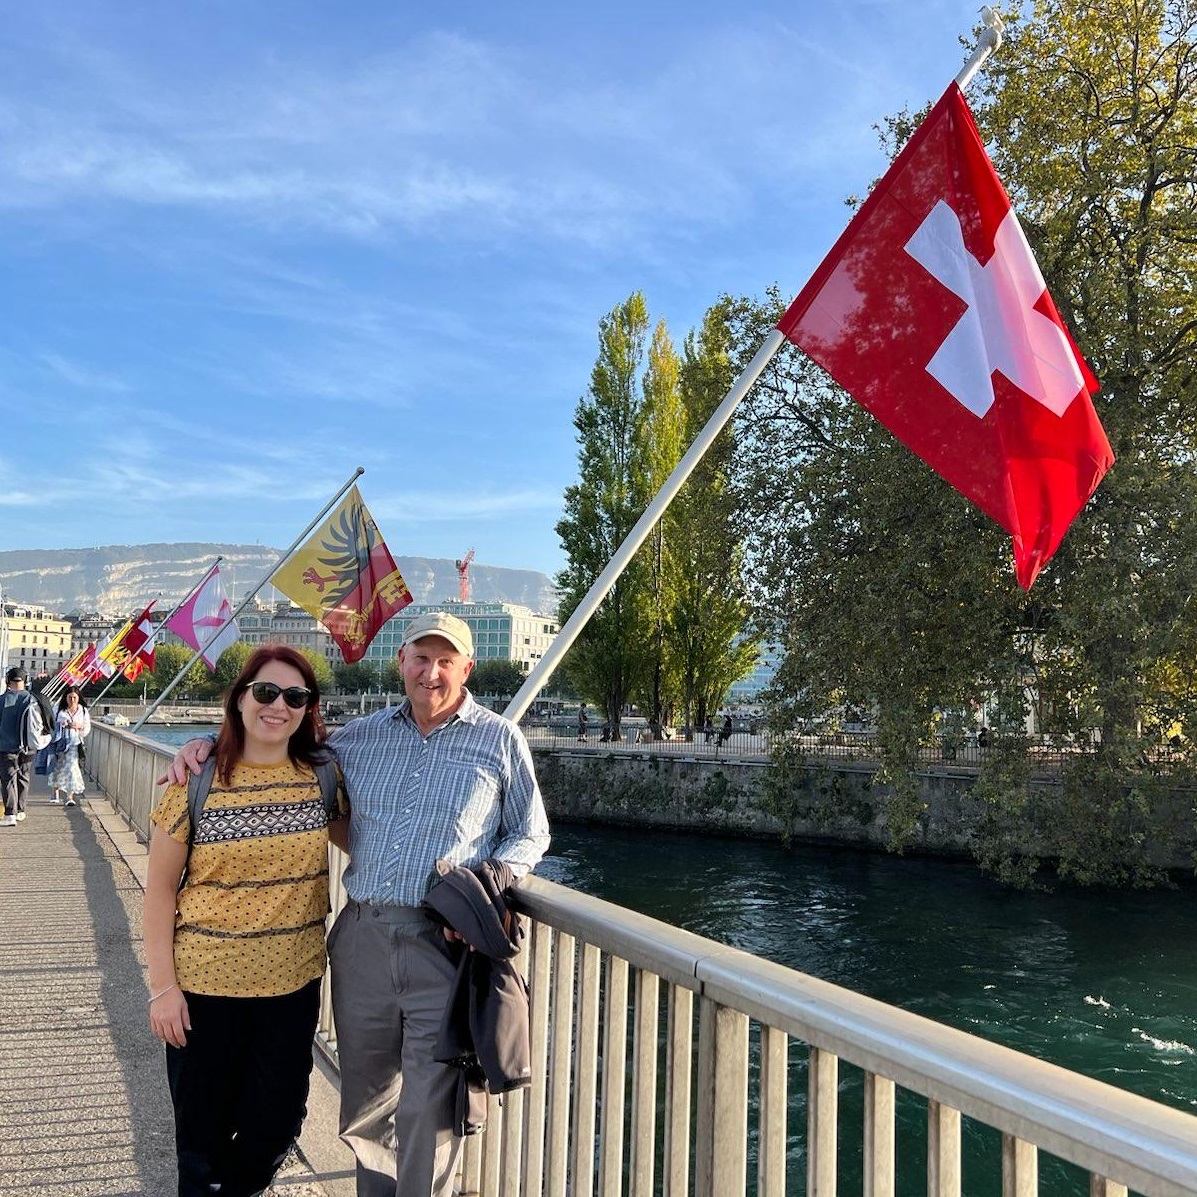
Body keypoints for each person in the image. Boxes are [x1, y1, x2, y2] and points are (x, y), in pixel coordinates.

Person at [168, 610, 550, 1197]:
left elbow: (531, 831)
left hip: (443, 943)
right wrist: (202, 745)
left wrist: (498, 874)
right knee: (366, 1102)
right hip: (361, 939)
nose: (431, 672)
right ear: (401, 662)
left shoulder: (500, 739)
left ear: (466, 668)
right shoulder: (356, 740)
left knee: (430, 1100)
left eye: (446, 660)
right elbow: (277, 739)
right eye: (420, 658)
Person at [147, 644, 349, 1197]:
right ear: (239, 700)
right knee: (201, 1143)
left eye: (295, 696)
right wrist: (162, 989)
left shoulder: (323, 778)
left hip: (292, 988)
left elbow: (376, 846)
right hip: (205, 989)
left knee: (277, 1124)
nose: (277, 705)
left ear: (308, 709)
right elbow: (161, 891)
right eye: (265, 692)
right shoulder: (196, 781)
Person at [1, 666, 52, 827]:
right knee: (24, 776)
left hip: (5, 746)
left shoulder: (1, 700)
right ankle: (21, 810)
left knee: (8, 779)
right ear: (25, 681)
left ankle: (10, 814)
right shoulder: (32, 699)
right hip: (29, 746)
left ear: (8, 681)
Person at [48, 687, 91, 807]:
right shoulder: (58, 709)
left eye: (75, 698)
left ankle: (69, 796)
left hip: (74, 743)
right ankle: (54, 792)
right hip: (59, 742)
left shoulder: (82, 711)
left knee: (72, 768)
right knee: (58, 767)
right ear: (65, 698)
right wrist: (61, 725)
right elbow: (51, 723)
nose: (72, 700)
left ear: (78, 698)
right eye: (70, 697)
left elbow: (87, 727)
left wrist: (79, 726)